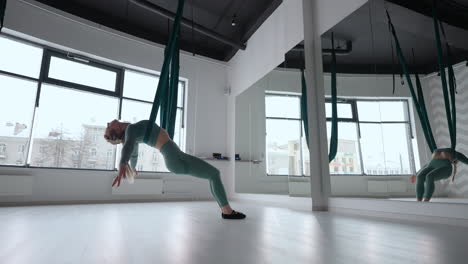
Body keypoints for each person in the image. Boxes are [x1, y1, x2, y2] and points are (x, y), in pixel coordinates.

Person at [104, 119, 246, 220]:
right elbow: (128, 147)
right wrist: (123, 163)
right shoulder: (131, 130)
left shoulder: (132, 131)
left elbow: (133, 154)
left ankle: (226, 211)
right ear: (116, 130)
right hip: (174, 158)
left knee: (213, 175)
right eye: (108, 126)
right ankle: (227, 211)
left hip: (175, 158)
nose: (108, 123)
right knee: (214, 174)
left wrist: (133, 169)